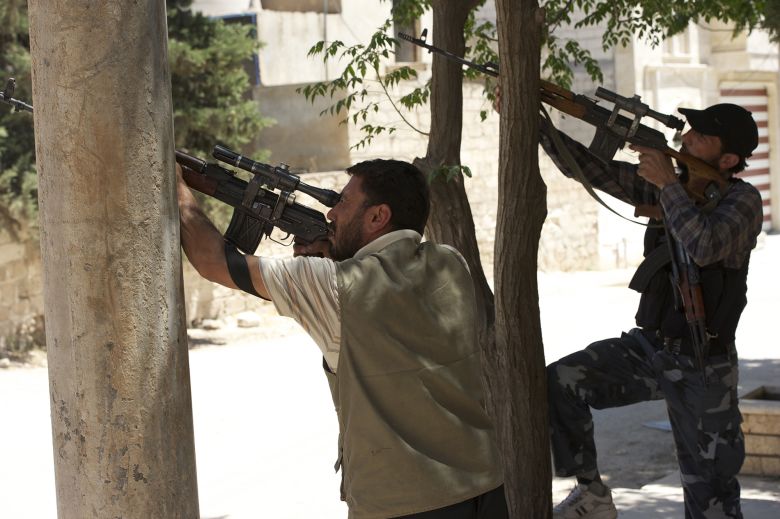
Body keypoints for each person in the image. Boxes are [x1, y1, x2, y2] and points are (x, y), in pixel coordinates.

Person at [176, 158, 508, 518]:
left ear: (378, 217)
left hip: (402, 505)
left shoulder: (335, 285)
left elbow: (212, 261)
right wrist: (331, 256)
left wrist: (176, 187)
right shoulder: (450, 263)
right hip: (483, 488)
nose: (332, 214)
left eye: (344, 203)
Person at [538, 103, 762, 519]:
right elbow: (588, 168)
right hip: (652, 348)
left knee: (710, 493)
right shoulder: (670, 186)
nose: (687, 138)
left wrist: (666, 185)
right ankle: (591, 492)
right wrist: (536, 122)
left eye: (701, 136)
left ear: (728, 160)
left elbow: (704, 244)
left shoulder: (743, 200)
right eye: (689, 129)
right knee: (562, 381)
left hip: (703, 364)